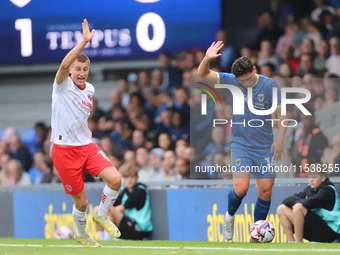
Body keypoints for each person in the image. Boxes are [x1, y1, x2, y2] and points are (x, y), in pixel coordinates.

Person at [197, 41, 287, 242]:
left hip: (265, 145)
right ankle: (229, 217)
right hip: (240, 144)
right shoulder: (232, 80)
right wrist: (207, 58)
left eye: (248, 79)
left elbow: (281, 113)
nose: (245, 84)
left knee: (265, 190)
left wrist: (280, 139)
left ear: (254, 69)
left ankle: (256, 237)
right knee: (241, 188)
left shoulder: (269, 85)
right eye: (242, 81)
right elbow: (202, 74)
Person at [50, 19, 122, 247]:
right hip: (64, 151)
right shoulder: (62, 86)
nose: (81, 73)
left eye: (85, 69)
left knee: (116, 180)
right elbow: (62, 66)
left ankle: (101, 214)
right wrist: (83, 42)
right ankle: (81, 234)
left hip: (86, 146)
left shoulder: (90, 88)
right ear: (71, 70)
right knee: (81, 203)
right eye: (77, 69)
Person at [277, 170, 340, 243]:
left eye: (314, 177)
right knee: (281, 209)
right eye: (309, 177)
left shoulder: (328, 190)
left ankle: (298, 242)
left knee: (298, 207)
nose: (311, 180)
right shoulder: (310, 190)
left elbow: (308, 203)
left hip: (330, 231)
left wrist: (298, 202)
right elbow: (286, 201)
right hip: (316, 229)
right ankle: (291, 243)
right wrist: (299, 201)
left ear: (323, 178)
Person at [94, 164, 153, 240]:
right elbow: (113, 204)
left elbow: (120, 208)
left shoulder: (140, 190)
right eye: (126, 177)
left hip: (139, 230)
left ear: (137, 177)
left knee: (108, 209)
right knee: (97, 209)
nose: (129, 180)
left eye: (132, 177)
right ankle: (101, 238)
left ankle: (107, 240)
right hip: (128, 226)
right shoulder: (125, 191)